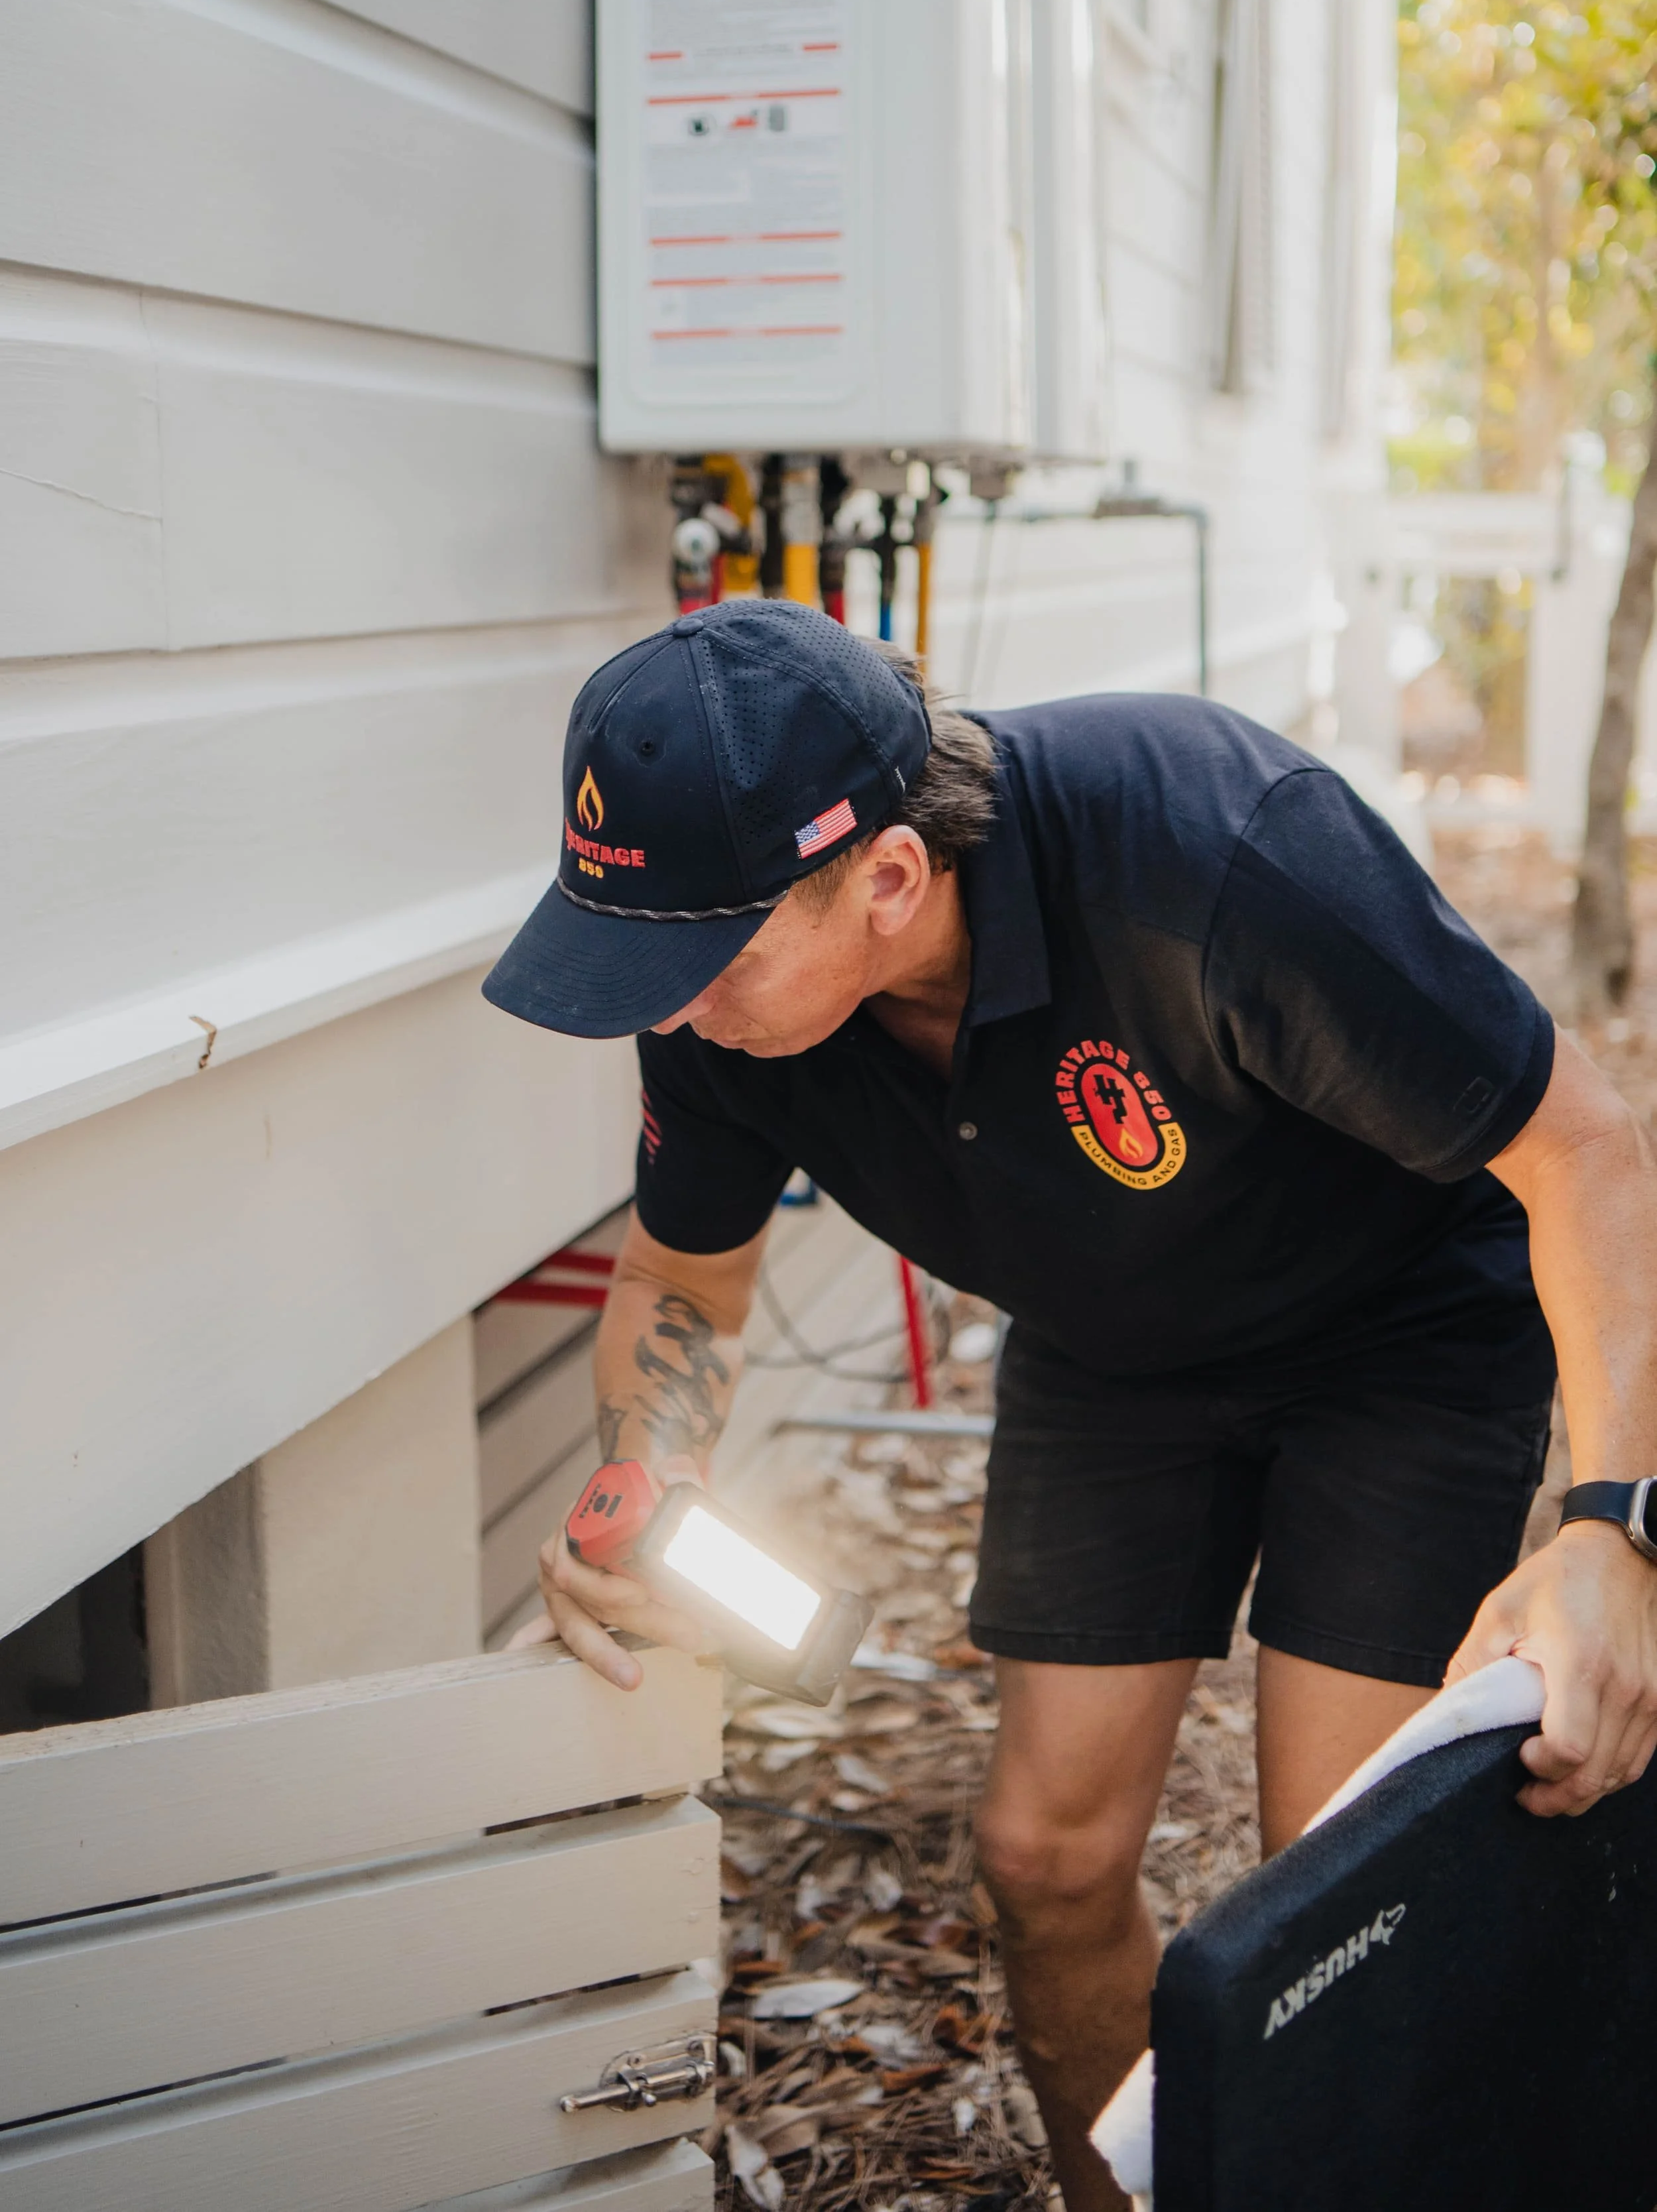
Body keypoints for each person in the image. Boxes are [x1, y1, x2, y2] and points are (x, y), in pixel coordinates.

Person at [486, 601, 1657, 2212]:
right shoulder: (719, 1001)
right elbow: (683, 1283)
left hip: (1391, 1334)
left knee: (1332, 1901)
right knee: (1041, 1864)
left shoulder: (1219, 855)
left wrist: (1611, 1532)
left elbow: (1582, 1151)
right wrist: (646, 1478)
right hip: (1111, 1344)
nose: (670, 1013)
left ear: (888, 879)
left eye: (702, 965)